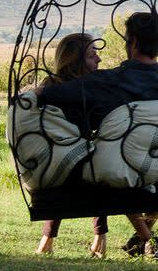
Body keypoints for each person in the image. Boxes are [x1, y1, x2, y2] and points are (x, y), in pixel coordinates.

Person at [36, 10, 158, 259]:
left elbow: (49, 96)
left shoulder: (106, 82)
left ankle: (141, 238)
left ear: (131, 41)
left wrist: (31, 95)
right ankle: (145, 236)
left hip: (118, 171)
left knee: (106, 163)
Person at [33, 32, 111, 258]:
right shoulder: (83, 90)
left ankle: (47, 240)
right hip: (72, 164)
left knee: (83, 161)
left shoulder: (48, 87)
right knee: (95, 165)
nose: (99, 60)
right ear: (75, 61)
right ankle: (101, 236)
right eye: (91, 55)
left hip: (56, 165)